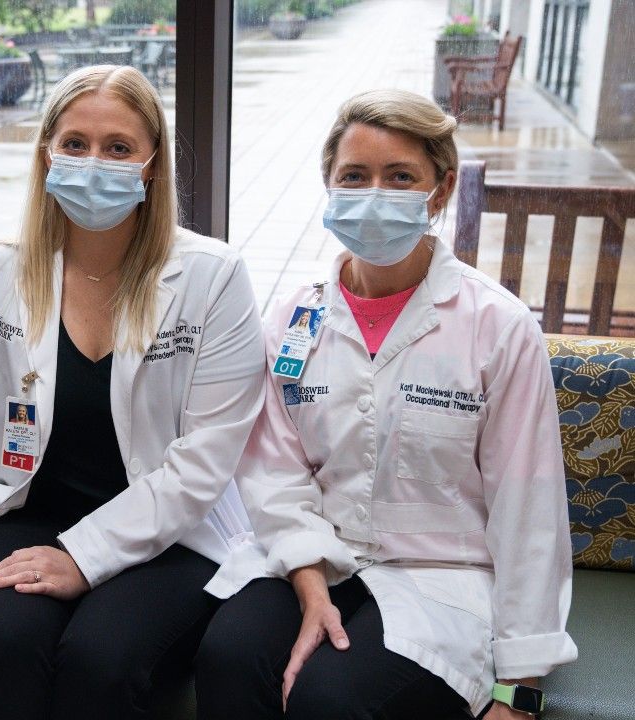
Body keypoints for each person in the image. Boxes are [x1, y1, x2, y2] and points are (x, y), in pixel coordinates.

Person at [0, 65, 265, 720]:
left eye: (118, 148)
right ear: (46, 154)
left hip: (171, 535)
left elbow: (204, 465)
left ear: (151, 166)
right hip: (25, 515)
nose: (94, 162)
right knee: (1, 642)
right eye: (75, 144)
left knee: (102, 658)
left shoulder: (214, 277)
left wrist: (81, 556)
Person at [196, 89, 577, 720]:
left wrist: (520, 687)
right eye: (355, 176)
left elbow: (528, 511)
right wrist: (311, 584)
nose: (374, 194)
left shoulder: (498, 327)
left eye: (400, 177)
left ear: (441, 189)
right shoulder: (296, 317)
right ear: (329, 185)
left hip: (445, 578)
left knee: (331, 701)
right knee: (228, 658)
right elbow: (275, 472)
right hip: (316, 559)